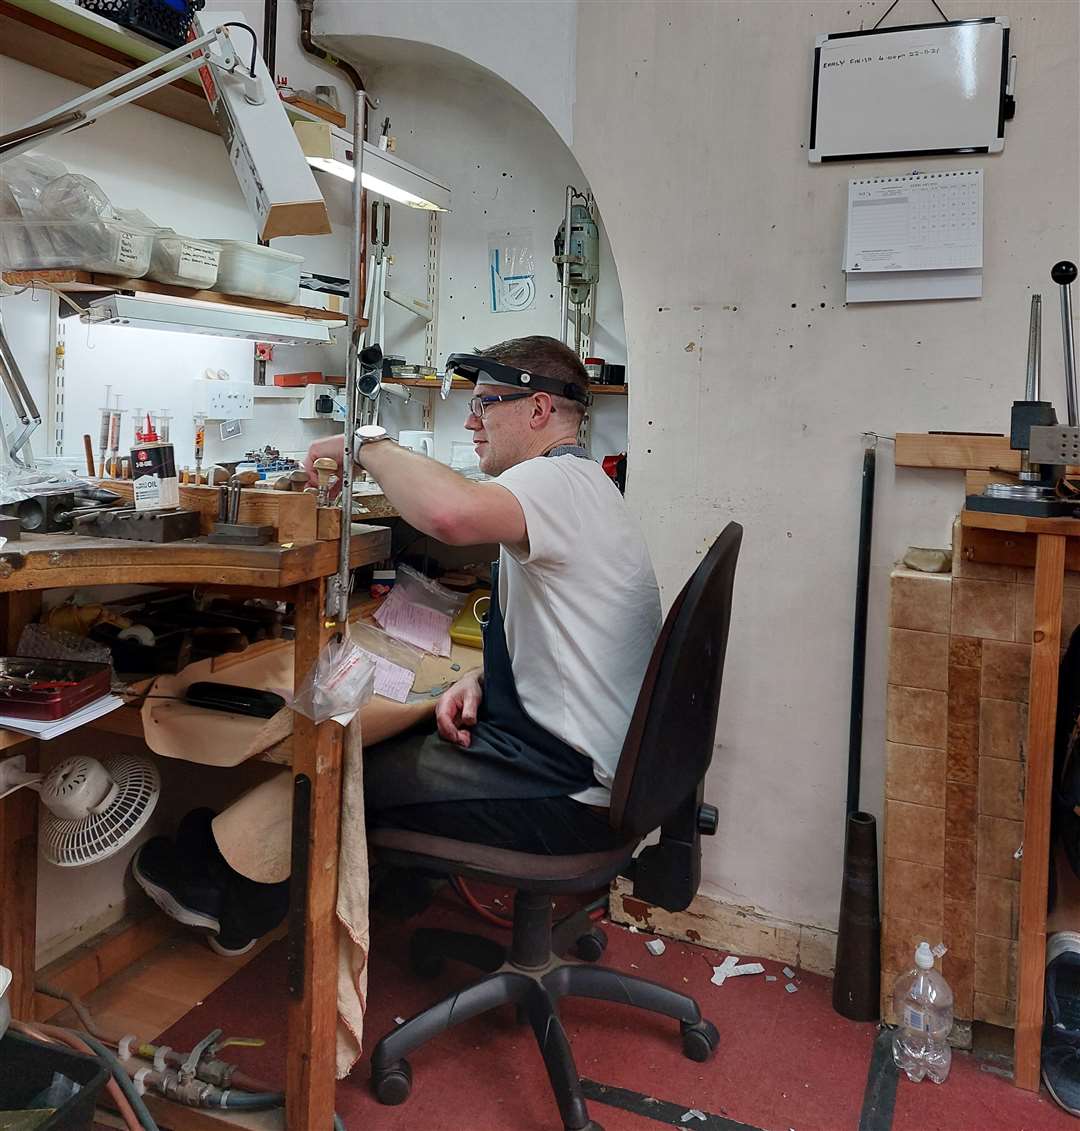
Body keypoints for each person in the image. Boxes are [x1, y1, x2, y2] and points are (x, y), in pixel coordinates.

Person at [133, 336, 662, 954]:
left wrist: (365, 446)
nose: (471, 420)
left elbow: (449, 517)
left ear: (539, 411)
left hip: (564, 796)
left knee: (344, 764)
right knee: (406, 730)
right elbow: (574, 642)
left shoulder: (554, 480)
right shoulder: (586, 487)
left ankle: (235, 899)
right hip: (591, 773)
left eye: (486, 403)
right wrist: (485, 682)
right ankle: (339, 883)